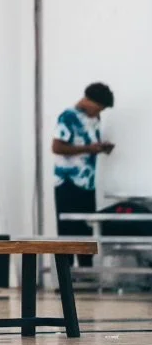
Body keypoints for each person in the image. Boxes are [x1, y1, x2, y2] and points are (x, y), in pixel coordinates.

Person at [52, 82, 115, 266]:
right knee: (67, 229)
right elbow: (57, 147)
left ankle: (86, 271)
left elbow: (88, 145)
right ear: (89, 101)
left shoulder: (95, 120)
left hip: (87, 182)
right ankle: (66, 274)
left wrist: (100, 148)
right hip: (68, 182)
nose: (99, 113)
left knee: (85, 228)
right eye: (99, 108)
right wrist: (89, 148)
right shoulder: (68, 117)